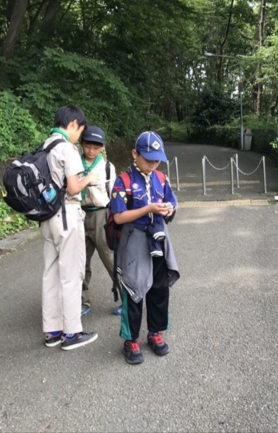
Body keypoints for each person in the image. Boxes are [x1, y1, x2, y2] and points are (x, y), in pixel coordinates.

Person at [110, 131, 180, 364]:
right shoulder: (124, 181)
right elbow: (119, 217)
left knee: (159, 287)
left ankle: (155, 333)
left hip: (158, 237)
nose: (152, 163)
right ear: (134, 154)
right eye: (147, 158)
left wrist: (169, 208)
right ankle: (130, 340)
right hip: (135, 238)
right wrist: (148, 209)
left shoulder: (161, 178)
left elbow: (172, 200)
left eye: (156, 159)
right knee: (134, 287)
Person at [41, 105, 99, 351]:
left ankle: (52, 331)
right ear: (73, 124)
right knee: (71, 273)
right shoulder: (67, 148)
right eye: (80, 130)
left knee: (51, 273)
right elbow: (74, 188)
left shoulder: (45, 146)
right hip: (66, 214)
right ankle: (72, 333)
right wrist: (90, 177)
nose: (79, 136)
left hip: (48, 217)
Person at [79, 125, 120, 316]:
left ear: (102, 147)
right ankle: (82, 301)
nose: (91, 150)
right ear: (82, 144)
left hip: (101, 215)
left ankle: (127, 298)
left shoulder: (107, 167)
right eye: (88, 146)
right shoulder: (74, 163)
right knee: (80, 261)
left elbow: (115, 195)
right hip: (78, 214)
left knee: (110, 258)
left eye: (96, 147)